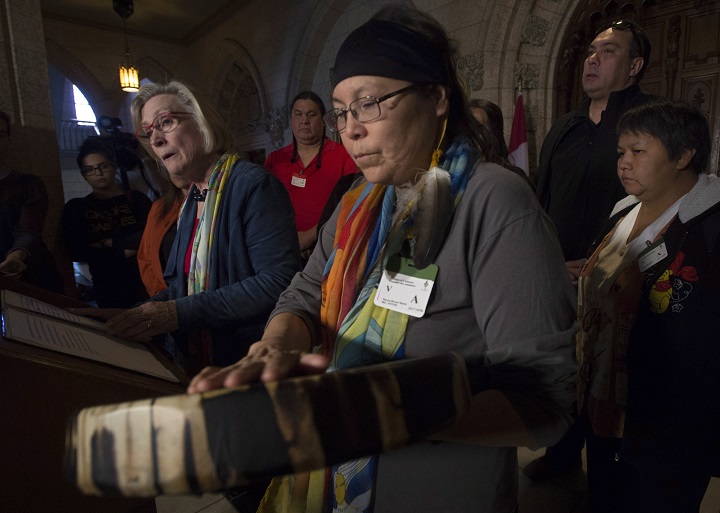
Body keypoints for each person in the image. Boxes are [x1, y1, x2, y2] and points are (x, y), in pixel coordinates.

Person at [188, 6, 578, 513]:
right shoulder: (359, 201)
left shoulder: (494, 202)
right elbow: (304, 292)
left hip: (435, 491)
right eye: (341, 112)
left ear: (436, 97)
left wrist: (379, 412)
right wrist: (275, 346)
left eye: (369, 104)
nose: (351, 130)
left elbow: (544, 401)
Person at [86, 80, 303, 377]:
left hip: (249, 359)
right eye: (148, 132)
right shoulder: (194, 197)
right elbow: (182, 287)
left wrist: (174, 314)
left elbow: (278, 281)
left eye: (166, 122)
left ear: (202, 122)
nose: (157, 140)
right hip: (202, 358)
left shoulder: (253, 184)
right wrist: (137, 314)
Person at [525, 19, 656, 481]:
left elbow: (657, 202)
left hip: (621, 277)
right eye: (590, 51)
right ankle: (561, 455)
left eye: (609, 51)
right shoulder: (566, 125)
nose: (592, 58)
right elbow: (539, 203)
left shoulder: (648, 122)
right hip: (561, 274)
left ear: (635, 65)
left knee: (611, 381)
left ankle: (609, 472)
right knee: (564, 369)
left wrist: (612, 265)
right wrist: (546, 264)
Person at [576, 100, 719, 512]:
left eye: (638, 151)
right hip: (604, 401)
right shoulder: (623, 211)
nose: (624, 163)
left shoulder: (711, 227)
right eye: (621, 152)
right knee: (607, 493)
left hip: (669, 419)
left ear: (684, 155)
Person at [264, 91, 358, 261]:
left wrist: (310, 236)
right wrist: (288, 240)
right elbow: (264, 208)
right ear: (291, 121)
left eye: (311, 115)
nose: (304, 120)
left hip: (330, 249)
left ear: (323, 121)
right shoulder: (274, 160)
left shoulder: (345, 156)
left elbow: (352, 205)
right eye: (298, 114)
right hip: (283, 251)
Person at [62, 138, 152, 307]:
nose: (98, 173)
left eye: (103, 166)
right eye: (90, 169)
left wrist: (109, 243)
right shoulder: (77, 208)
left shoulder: (137, 200)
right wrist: (125, 249)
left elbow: (151, 238)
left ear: (114, 166)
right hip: (107, 286)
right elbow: (77, 251)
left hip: (144, 280)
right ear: (83, 174)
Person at [0, 111, 63, 293]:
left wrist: (16, 257)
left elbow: (28, 230)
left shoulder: (27, 184)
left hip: (29, 277)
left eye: (1, 135)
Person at [136, 168, 189, 296]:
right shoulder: (159, 208)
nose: (176, 169)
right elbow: (145, 257)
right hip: (168, 296)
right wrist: (161, 294)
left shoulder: (214, 204)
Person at [469, 98, 528, 183]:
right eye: (469, 126)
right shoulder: (455, 175)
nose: (472, 132)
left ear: (494, 131)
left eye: (479, 126)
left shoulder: (514, 177)